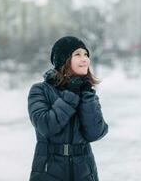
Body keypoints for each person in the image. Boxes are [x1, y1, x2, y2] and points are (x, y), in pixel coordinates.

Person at [27, 36, 109, 181]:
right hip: (49, 170)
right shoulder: (40, 90)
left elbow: (95, 133)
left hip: (84, 172)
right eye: (78, 54)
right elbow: (46, 126)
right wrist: (71, 94)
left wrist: (86, 97)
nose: (85, 59)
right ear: (63, 60)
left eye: (86, 55)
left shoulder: (87, 92)